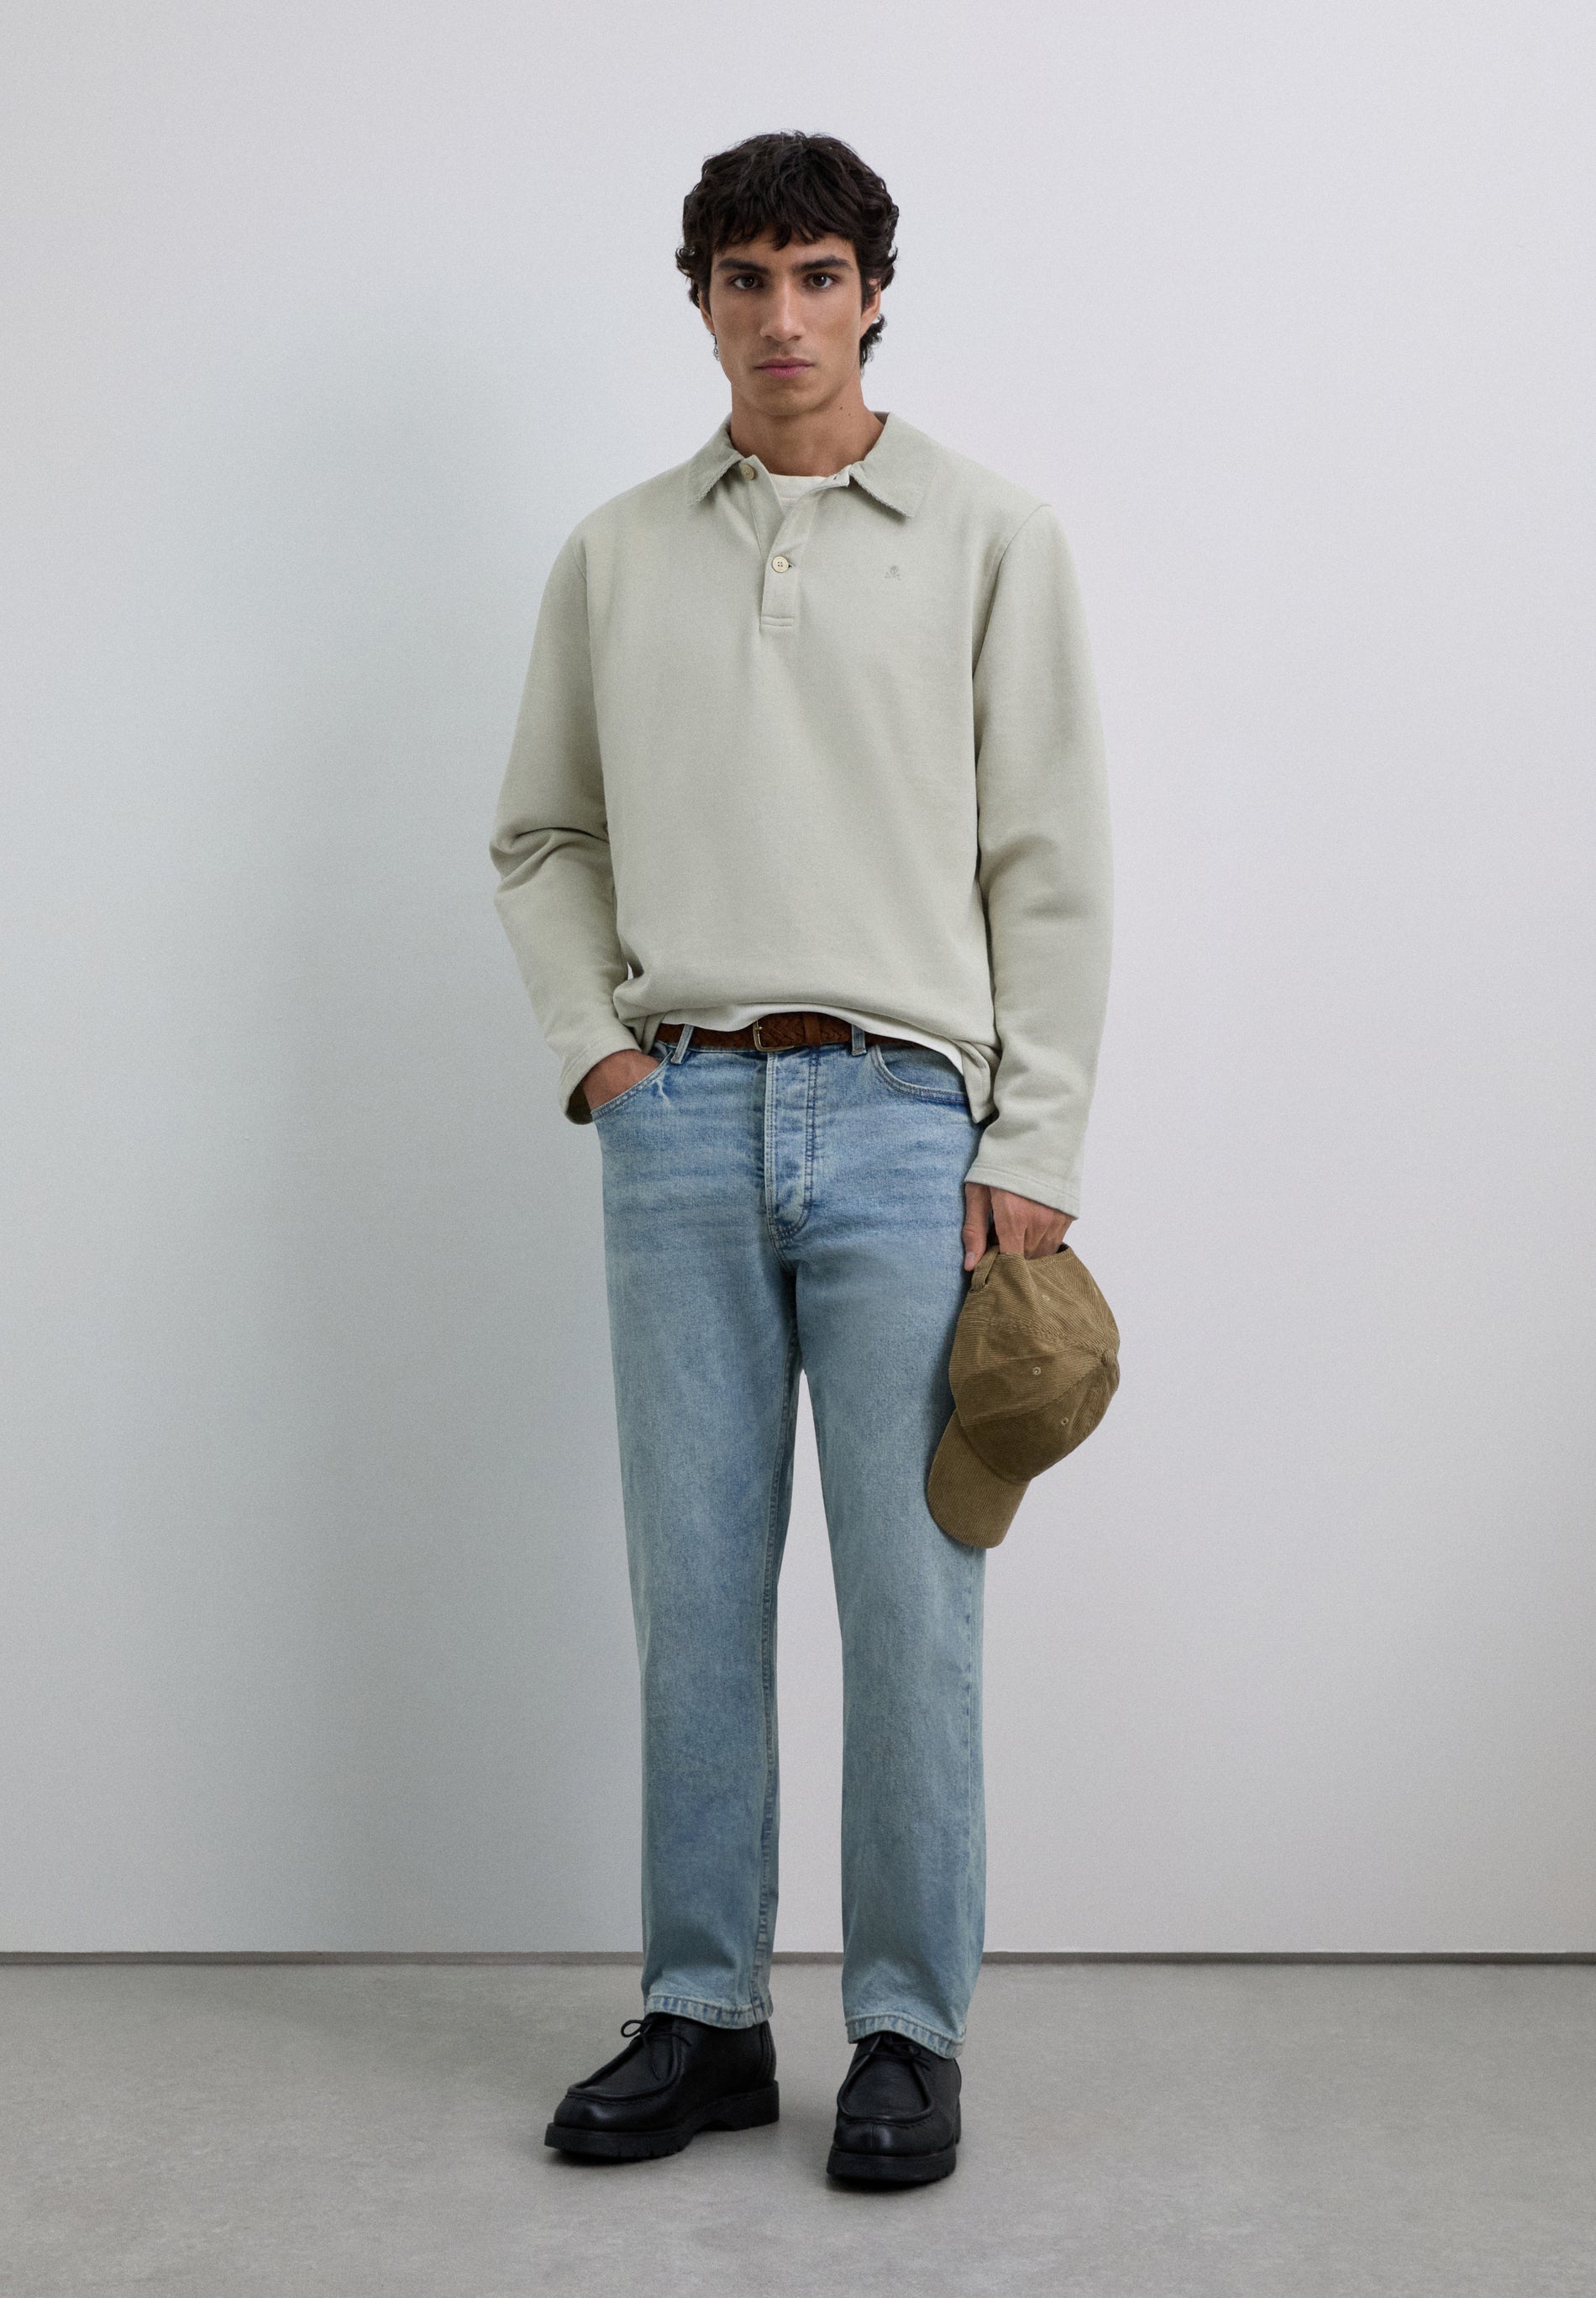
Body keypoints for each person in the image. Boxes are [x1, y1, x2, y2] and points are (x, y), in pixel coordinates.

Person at [489, 129, 1112, 2187]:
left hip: (910, 1128)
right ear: (697, 302)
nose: (781, 316)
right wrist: (601, 1059)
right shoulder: (614, 553)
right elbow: (544, 835)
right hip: (675, 1113)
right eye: (743, 277)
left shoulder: (991, 536)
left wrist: (1031, 1134)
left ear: (872, 296)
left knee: (914, 1605)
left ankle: (907, 2032)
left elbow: (1047, 858)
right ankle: (701, 2016)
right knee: (691, 1600)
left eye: (817, 275)